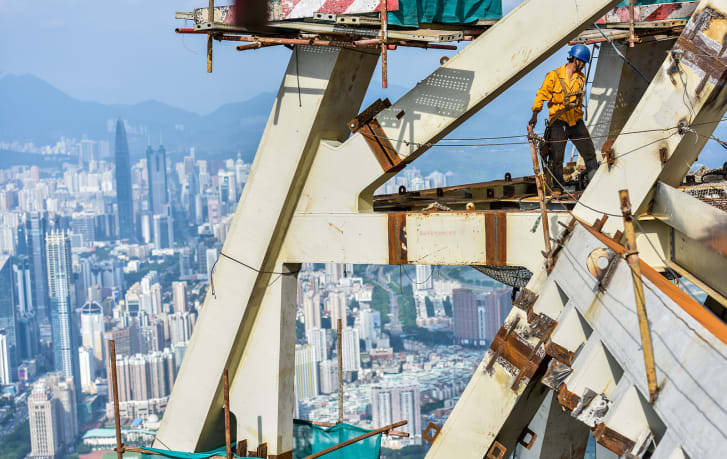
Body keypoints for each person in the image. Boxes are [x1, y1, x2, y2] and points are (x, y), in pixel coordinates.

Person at [528, 44, 599, 191]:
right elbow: (541, 95)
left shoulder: (580, 77)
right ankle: (557, 187)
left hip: (576, 121)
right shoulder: (553, 76)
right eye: (583, 62)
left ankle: (595, 186)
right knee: (557, 158)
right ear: (576, 60)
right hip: (558, 123)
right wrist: (535, 114)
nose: (584, 65)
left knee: (590, 153)